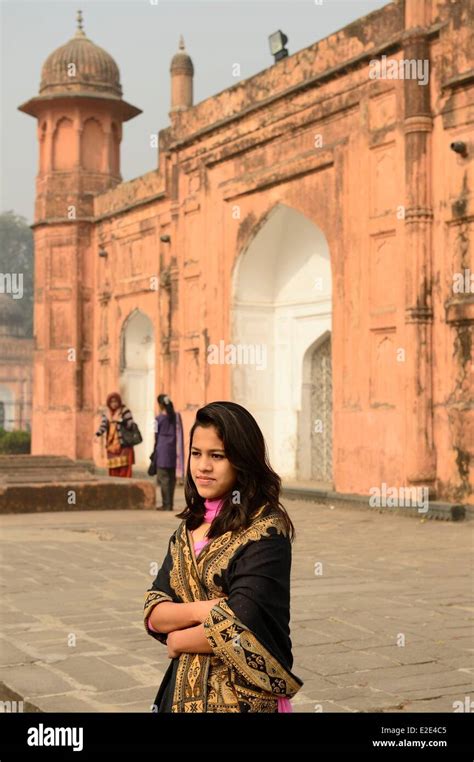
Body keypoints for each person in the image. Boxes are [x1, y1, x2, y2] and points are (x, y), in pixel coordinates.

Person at [143, 401, 303, 713]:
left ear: (243, 460)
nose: (203, 466)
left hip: (245, 698)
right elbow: (153, 612)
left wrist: (178, 641)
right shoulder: (187, 529)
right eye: (196, 453)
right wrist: (205, 609)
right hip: (180, 694)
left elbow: (245, 622)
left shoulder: (266, 531)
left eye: (217, 456)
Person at [151, 394, 184, 511]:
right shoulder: (176, 417)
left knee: (163, 478)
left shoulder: (158, 419)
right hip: (172, 450)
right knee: (171, 477)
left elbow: (155, 435)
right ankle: (170, 504)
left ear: (160, 405)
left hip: (162, 449)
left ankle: (166, 504)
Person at [94, 392, 135, 478]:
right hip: (112, 446)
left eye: (116, 401)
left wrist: (121, 421)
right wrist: (98, 434)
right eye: (111, 402)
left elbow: (130, 425)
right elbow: (103, 425)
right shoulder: (107, 413)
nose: (114, 404)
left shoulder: (125, 411)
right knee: (113, 470)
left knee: (125, 470)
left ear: (119, 402)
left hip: (124, 445)